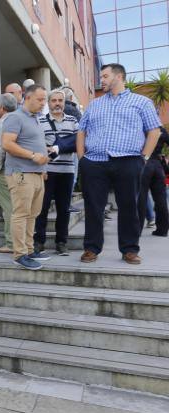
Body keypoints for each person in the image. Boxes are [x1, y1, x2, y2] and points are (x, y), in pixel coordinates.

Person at [77, 63, 162, 265]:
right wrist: (82, 159)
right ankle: (91, 248)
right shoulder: (95, 104)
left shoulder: (141, 102)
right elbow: (81, 130)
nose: (102, 80)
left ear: (119, 76)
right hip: (95, 162)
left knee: (129, 206)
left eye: (105, 76)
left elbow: (154, 131)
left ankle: (130, 249)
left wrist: (144, 157)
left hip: (129, 161)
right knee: (93, 207)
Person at [1, 84, 50, 270]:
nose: (43, 103)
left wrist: (43, 167)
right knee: (21, 214)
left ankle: (29, 250)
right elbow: (6, 143)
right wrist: (32, 156)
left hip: (36, 174)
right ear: (27, 97)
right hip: (21, 173)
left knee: (33, 214)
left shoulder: (35, 118)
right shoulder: (15, 117)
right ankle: (20, 254)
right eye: (40, 99)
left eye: (44, 99)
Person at [35, 89, 79, 256]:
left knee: (64, 209)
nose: (57, 103)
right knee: (42, 208)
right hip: (47, 171)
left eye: (60, 100)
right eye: (54, 100)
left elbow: (79, 142)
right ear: (48, 103)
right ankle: (39, 241)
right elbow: (36, 144)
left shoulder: (73, 121)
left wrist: (60, 147)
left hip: (67, 171)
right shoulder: (40, 121)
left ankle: (61, 242)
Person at [0, 93, 18, 254]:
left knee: (9, 208)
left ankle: (11, 243)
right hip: (16, 168)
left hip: (2, 169)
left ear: (2, 107)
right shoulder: (18, 119)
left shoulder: (3, 122)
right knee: (15, 207)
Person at [139, 125, 169, 237]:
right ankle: (163, 229)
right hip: (157, 165)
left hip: (143, 163)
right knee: (161, 198)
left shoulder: (139, 126)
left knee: (140, 197)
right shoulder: (160, 129)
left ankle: (137, 229)